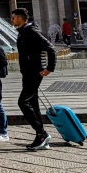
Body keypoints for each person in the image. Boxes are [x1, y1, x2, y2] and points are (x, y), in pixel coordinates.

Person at [11, 8, 56, 151]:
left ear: (20, 18)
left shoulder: (31, 32)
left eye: (13, 18)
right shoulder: (23, 32)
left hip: (34, 72)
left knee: (23, 102)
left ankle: (42, 134)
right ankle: (41, 137)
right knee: (33, 104)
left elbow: (51, 48)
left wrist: (49, 68)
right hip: (27, 72)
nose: (12, 20)